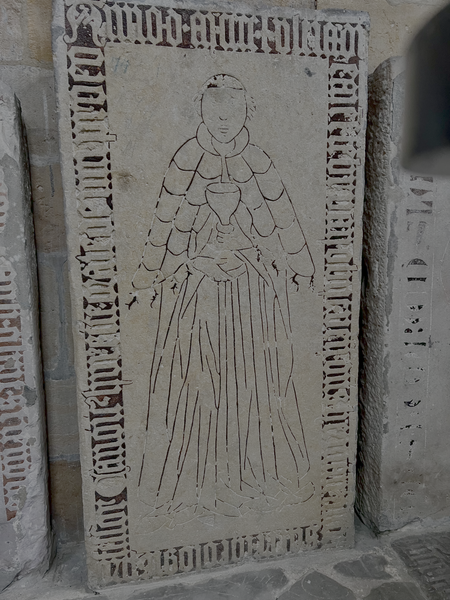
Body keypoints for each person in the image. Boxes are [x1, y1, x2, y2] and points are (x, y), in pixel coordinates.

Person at [132, 74, 315, 529]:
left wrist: (302, 268)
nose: (223, 121)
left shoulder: (258, 161)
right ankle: (201, 485)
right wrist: (148, 277)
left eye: (232, 112)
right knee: (200, 382)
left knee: (254, 383)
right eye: (215, 112)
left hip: (251, 294)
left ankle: (254, 476)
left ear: (246, 112)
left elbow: (283, 219)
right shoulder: (186, 159)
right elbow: (166, 222)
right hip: (202, 294)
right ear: (201, 111)